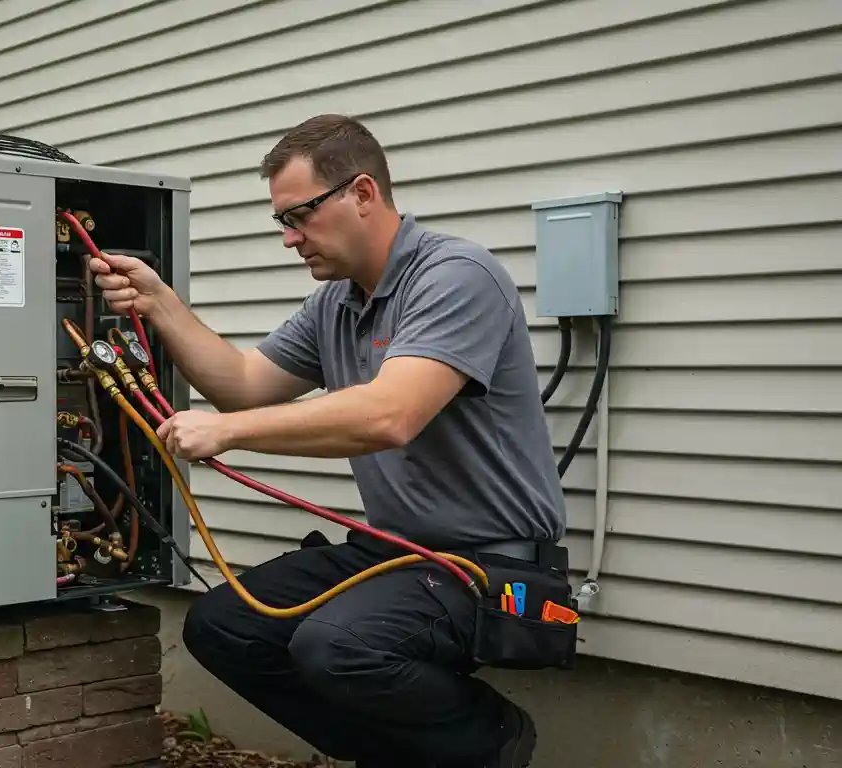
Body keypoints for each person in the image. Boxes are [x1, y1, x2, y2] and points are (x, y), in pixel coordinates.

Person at [88, 114, 566, 767]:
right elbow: (245, 383)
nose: (290, 239)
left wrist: (226, 433)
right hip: (393, 552)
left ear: (363, 193)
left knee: (338, 646)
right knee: (225, 626)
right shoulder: (337, 304)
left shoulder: (456, 276)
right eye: (281, 221)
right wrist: (160, 303)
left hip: (487, 562)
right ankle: (402, 755)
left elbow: (390, 415)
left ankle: (487, 740)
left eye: (301, 216)